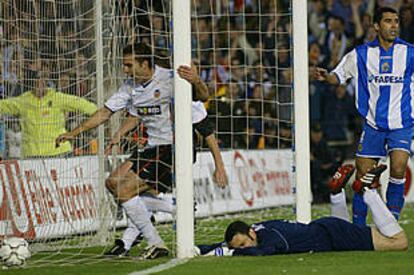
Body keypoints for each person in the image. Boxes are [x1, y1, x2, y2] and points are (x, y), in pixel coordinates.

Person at [55, 42, 221, 259]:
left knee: (124, 190)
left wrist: (196, 80)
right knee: (112, 183)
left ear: (144, 63)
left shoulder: (171, 79)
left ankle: (155, 241)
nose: (125, 70)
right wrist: (74, 133)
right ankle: (174, 207)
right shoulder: (130, 87)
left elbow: (202, 97)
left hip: (173, 147)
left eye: (128, 65)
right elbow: (106, 112)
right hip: (152, 147)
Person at [313, 7, 411, 225]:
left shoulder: (410, 53)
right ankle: (358, 226)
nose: (394, 25)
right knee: (363, 175)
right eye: (388, 21)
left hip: (401, 123)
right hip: (373, 125)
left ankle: (391, 222)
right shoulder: (361, 54)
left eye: (396, 21)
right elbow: (339, 76)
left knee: (398, 167)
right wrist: (326, 76)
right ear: (376, 26)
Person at [196, 164, 408, 256]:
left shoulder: (270, 238)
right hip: (328, 231)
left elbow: (263, 251)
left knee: (399, 243)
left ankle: (367, 192)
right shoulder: (257, 230)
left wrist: (232, 254)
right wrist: (198, 248)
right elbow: (225, 244)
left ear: (251, 232)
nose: (244, 249)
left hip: (334, 235)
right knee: (357, 231)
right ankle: (336, 194)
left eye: (243, 245)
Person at [0, 64, 97, 158]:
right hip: (31, 155)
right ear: (31, 84)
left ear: (46, 82)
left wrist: (99, 113)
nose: (40, 84)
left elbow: (84, 105)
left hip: (59, 153)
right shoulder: (23, 101)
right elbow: (3, 105)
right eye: (36, 81)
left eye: (42, 80)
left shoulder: (57, 97)